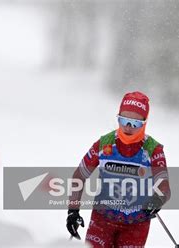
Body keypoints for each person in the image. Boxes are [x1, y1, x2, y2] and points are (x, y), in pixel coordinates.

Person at [66, 91, 171, 248]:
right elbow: (79, 176)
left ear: (145, 122)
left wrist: (157, 200)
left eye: (135, 123)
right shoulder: (104, 144)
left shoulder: (152, 149)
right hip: (102, 220)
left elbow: (164, 188)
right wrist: (73, 211)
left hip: (136, 225)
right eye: (123, 120)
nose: (128, 127)